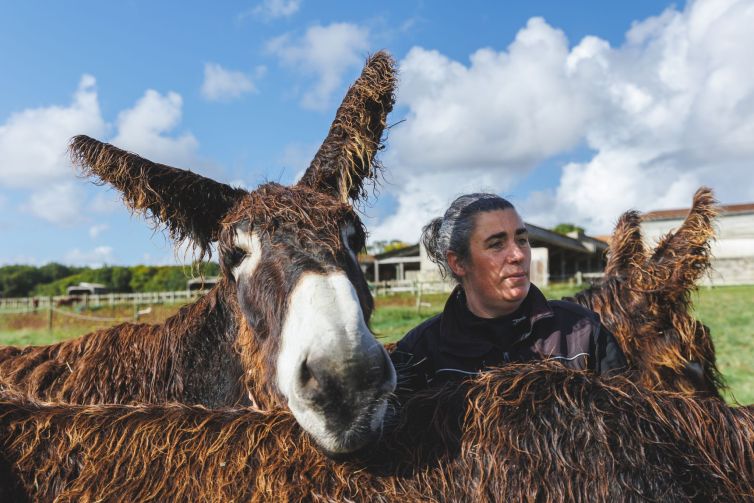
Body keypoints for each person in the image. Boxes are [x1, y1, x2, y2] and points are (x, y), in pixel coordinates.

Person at [393, 193, 627, 389]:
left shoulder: (583, 333)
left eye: (522, 240)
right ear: (458, 263)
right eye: (496, 244)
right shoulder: (419, 353)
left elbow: (630, 428)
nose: (518, 255)